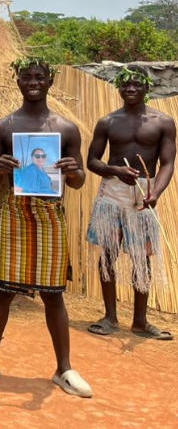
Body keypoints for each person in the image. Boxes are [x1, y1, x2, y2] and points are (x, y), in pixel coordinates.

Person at [0, 58, 91, 398]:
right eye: (27, 76)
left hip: (51, 212)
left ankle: (63, 368)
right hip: (16, 210)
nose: (33, 81)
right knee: (3, 290)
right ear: (17, 80)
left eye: (40, 76)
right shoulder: (4, 128)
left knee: (54, 294)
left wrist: (72, 170)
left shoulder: (66, 128)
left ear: (50, 81)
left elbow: (80, 180)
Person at [86, 64, 175, 340]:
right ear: (119, 88)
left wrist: (156, 193)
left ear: (148, 87)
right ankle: (110, 317)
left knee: (142, 258)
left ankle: (140, 321)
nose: (132, 89)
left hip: (144, 193)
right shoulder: (108, 122)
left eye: (138, 84)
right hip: (112, 193)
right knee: (108, 254)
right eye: (126, 84)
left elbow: (168, 162)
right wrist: (115, 170)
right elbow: (92, 161)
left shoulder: (163, 122)